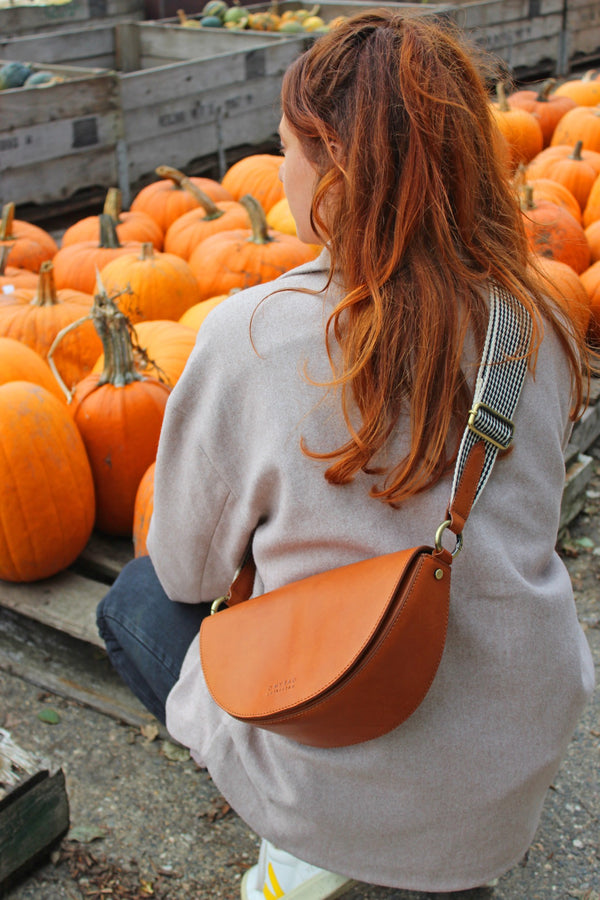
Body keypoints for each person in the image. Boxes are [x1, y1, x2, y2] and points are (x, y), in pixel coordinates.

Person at [97, 10, 595, 898]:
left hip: (337, 758)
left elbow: (183, 570)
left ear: (333, 166)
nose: (281, 166)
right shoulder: (537, 323)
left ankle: (310, 847)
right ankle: (424, 847)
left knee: (136, 600)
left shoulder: (255, 336)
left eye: (285, 146)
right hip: (508, 761)